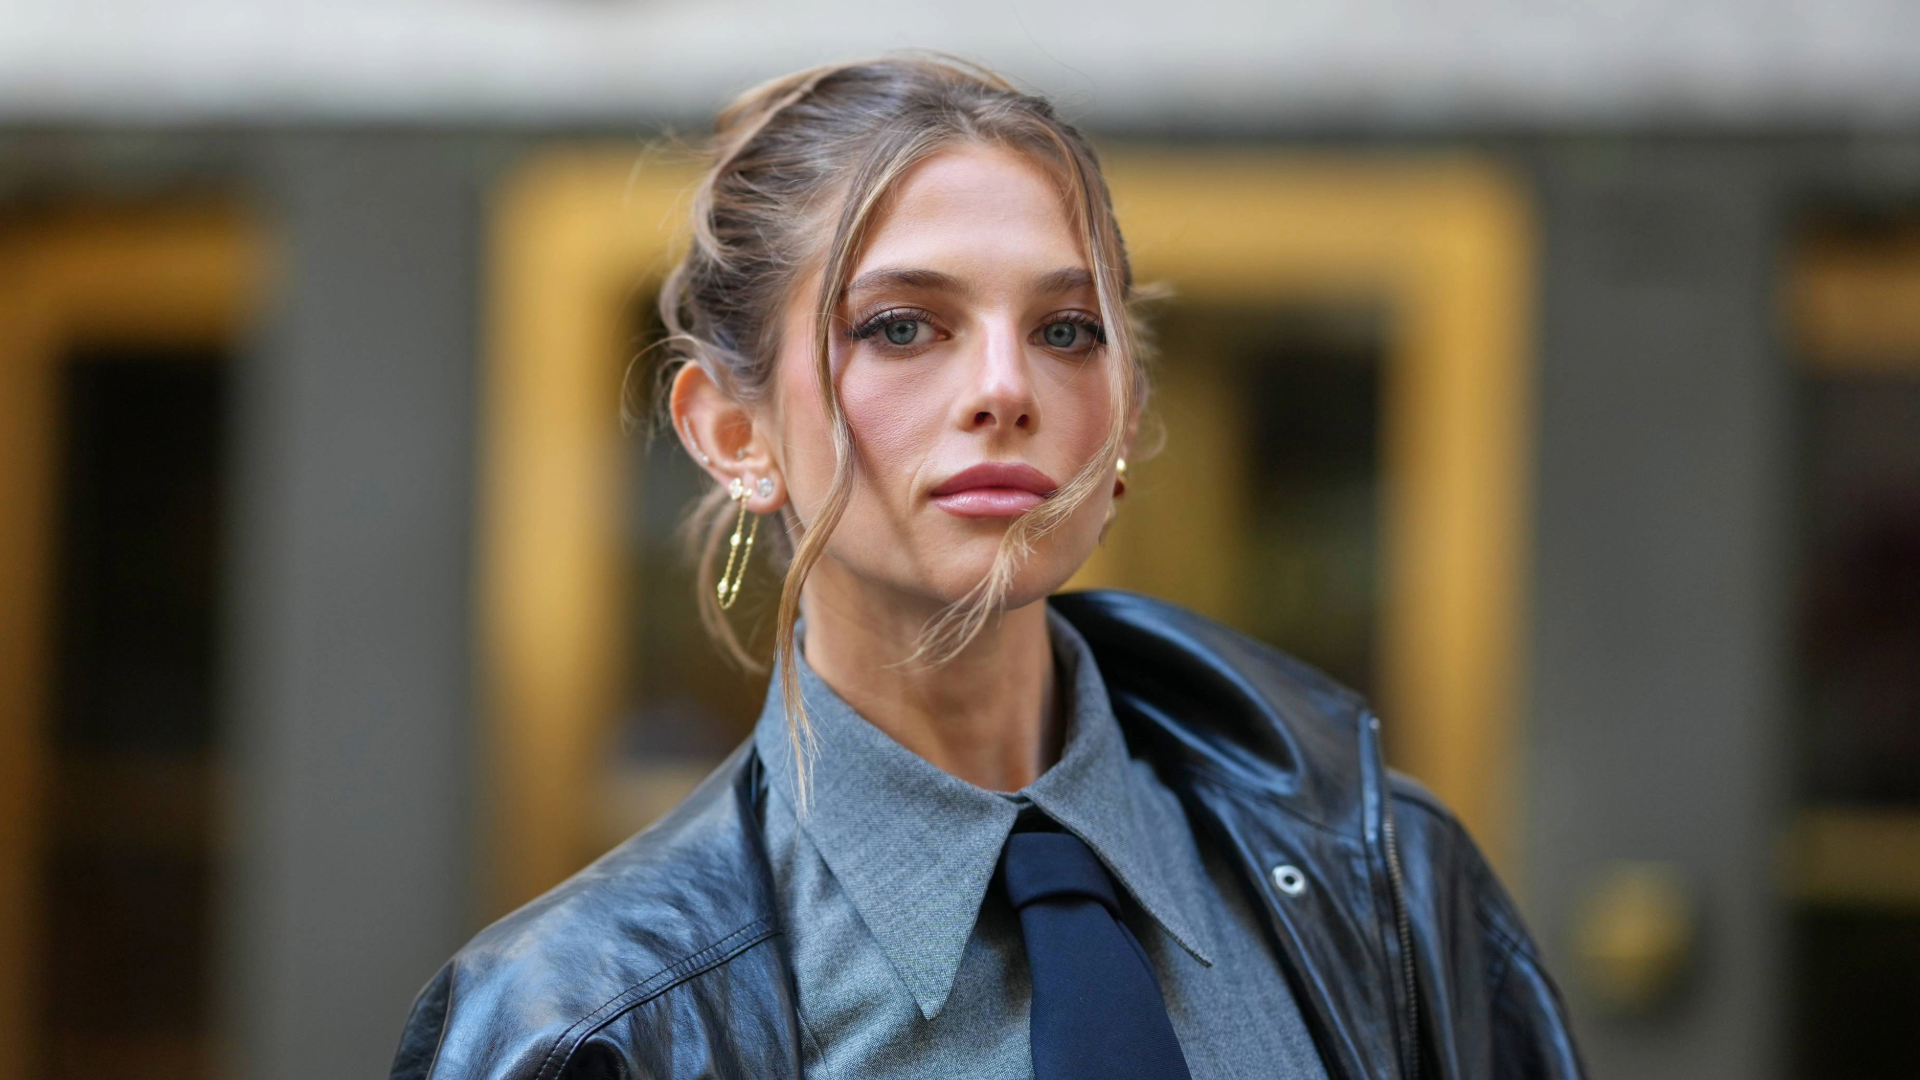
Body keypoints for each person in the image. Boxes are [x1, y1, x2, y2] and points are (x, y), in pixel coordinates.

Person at [389, 53, 1585, 1080]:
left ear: (1122, 420)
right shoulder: (575, 1016)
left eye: (1067, 331)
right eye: (901, 326)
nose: (1007, 389)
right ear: (730, 433)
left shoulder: (1385, 883)